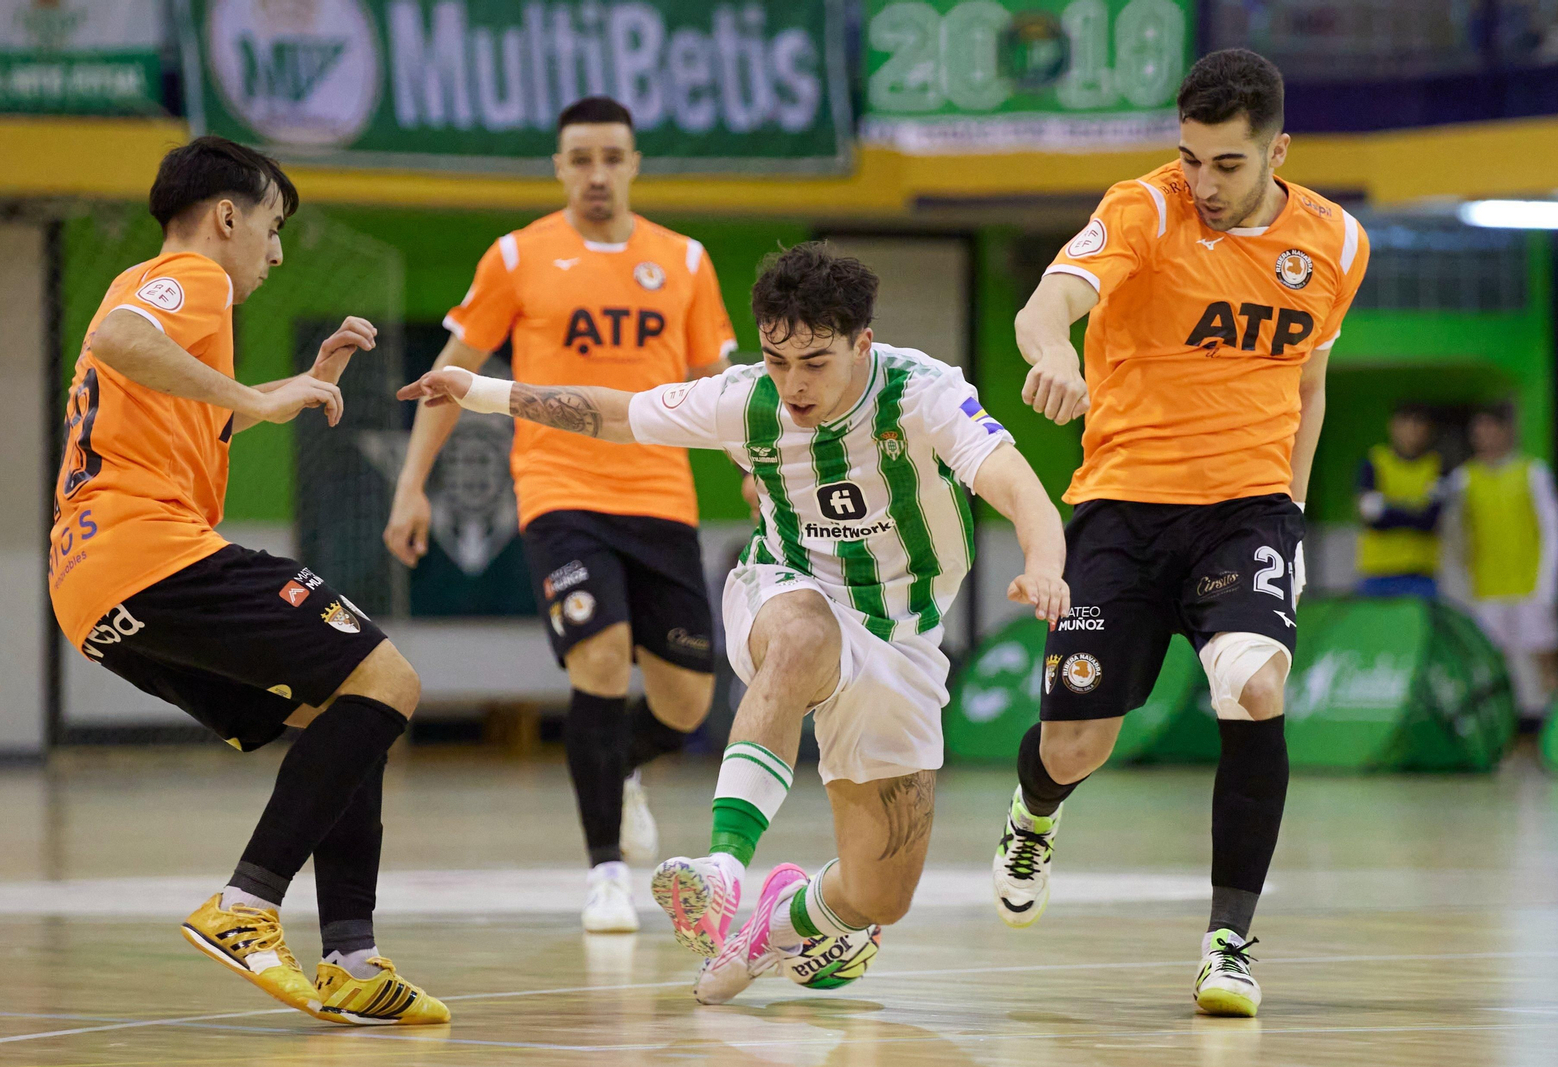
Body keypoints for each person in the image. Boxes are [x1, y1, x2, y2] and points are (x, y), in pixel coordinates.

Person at [397, 242, 1071, 1005]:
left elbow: (1020, 486)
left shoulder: (923, 394)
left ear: (862, 345)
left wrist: (1044, 562)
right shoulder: (747, 401)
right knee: (805, 633)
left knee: (882, 894)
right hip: (784, 587)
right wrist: (481, 391)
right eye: (778, 360)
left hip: (903, 635)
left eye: (815, 361)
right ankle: (722, 869)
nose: (794, 383)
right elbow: (620, 412)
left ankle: (773, 930)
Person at [1003, 49, 1370, 1018]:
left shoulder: (1334, 242)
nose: (1202, 183)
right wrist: (1053, 360)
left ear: (1277, 150)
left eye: (1227, 165)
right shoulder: (1142, 207)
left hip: (1245, 508)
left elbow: (1308, 382)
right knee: (1077, 743)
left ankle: (1229, 941)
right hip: (1122, 506)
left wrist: (1287, 516)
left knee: (1252, 683)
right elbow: (1045, 310)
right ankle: (1034, 812)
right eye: (1190, 158)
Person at [49, 137, 446, 1025]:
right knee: (391, 679)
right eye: (271, 227)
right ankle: (247, 904)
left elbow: (170, 409)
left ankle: (352, 955)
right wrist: (259, 398)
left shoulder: (190, 317)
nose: (274, 251)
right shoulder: (193, 278)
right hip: (148, 552)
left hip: (92, 589)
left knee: (347, 706)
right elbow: (118, 337)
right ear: (227, 216)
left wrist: (293, 386)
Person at [382, 96, 738, 933]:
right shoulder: (517, 256)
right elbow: (452, 373)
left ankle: (620, 767)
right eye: (580, 158)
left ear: (635, 162)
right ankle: (605, 872)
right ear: (559, 167)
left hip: (661, 498)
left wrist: (753, 468)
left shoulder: (684, 260)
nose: (597, 174)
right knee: (602, 660)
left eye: (612, 157)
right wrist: (411, 484)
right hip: (559, 493)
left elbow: (719, 390)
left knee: (687, 701)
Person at [1446, 403, 1558, 720]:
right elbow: (1456, 538)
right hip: (1486, 590)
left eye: (1491, 429)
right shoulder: (1464, 479)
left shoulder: (1533, 472)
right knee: (1496, 669)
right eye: (1478, 432)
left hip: (1530, 587)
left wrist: (1547, 588)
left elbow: (1551, 530)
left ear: (1506, 431)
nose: (1485, 438)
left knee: (1543, 664)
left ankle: (1549, 741)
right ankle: (1508, 743)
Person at [1354, 405, 1443, 598]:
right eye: (1407, 424)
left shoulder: (1436, 467)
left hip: (1421, 574)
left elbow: (1430, 521)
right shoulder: (1374, 462)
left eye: (1419, 425)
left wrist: (1390, 510)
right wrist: (1415, 513)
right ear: (1393, 427)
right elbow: (1373, 519)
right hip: (1378, 573)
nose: (1413, 432)